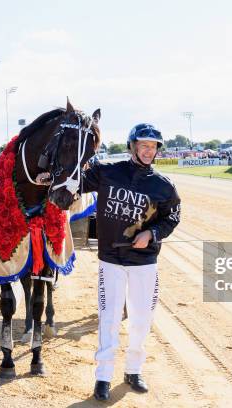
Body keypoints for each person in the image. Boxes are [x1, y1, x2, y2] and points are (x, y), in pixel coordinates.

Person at [80, 123, 181, 401]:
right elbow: (76, 180)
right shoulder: (107, 172)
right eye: (144, 145)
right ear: (132, 146)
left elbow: (172, 217)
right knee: (109, 317)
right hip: (110, 260)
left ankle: (133, 370)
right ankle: (103, 376)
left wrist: (152, 233)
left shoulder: (163, 186)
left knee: (141, 319)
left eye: (153, 147)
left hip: (144, 262)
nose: (149, 151)